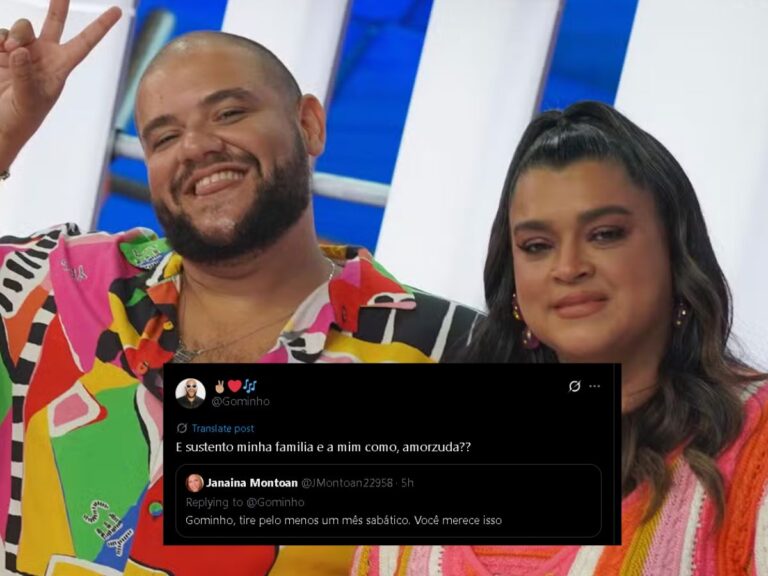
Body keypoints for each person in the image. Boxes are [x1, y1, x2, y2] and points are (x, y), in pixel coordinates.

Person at [0, 2, 479, 574]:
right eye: (164, 136)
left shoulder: (450, 350)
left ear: (309, 125)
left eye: (228, 113)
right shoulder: (65, 290)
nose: (195, 146)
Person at [353, 102, 768, 574]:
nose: (568, 267)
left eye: (605, 234)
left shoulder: (755, 441)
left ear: (677, 253)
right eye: (537, 246)